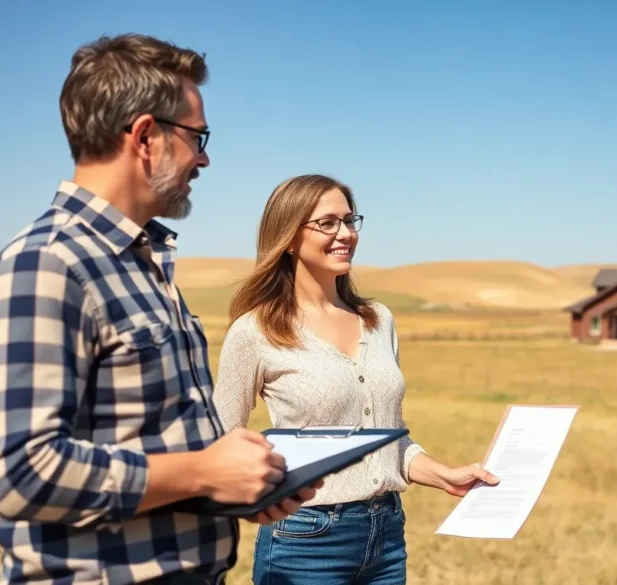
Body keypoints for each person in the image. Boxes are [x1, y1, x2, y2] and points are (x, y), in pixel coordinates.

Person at [0, 34, 319, 585]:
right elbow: (19, 474)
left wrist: (231, 484)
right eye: (197, 136)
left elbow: (144, 441)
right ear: (147, 136)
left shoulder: (142, 262)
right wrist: (203, 470)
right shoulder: (48, 267)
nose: (204, 156)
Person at [211, 174, 500, 585]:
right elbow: (223, 441)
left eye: (350, 220)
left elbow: (388, 437)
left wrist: (444, 475)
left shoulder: (379, 320)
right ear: (289, 236)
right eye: (327, 223)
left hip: (386, 536)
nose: (345, 233)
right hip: (305, 540)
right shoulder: (255, 331)